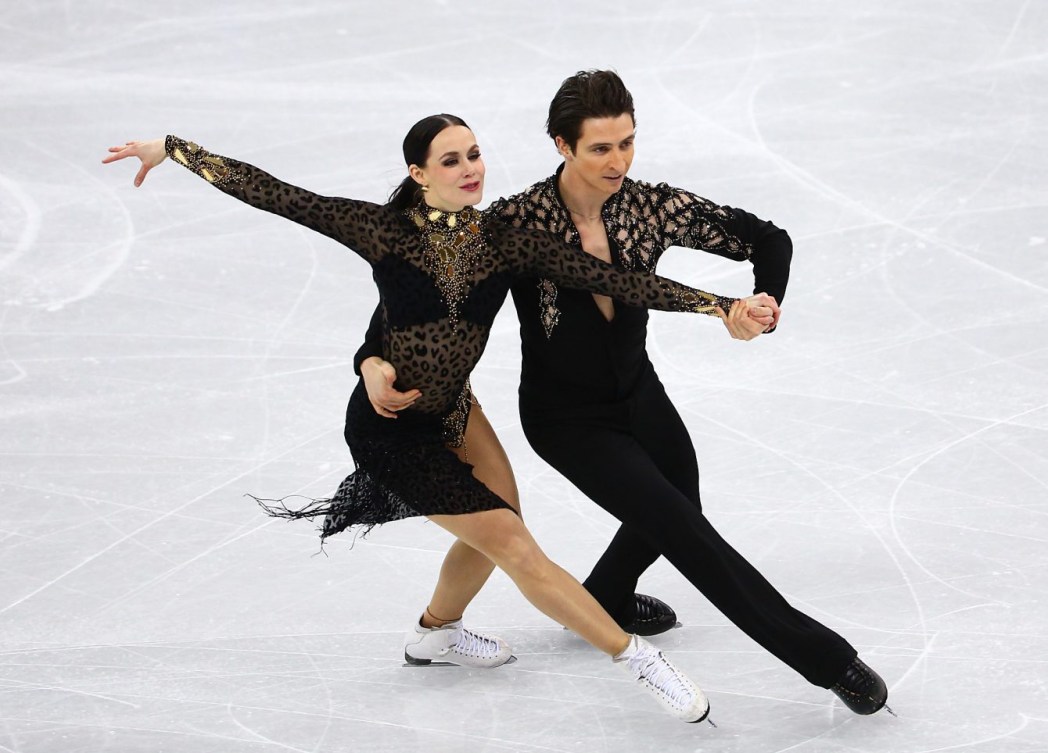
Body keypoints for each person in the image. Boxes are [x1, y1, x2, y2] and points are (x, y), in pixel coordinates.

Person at [101, 115, 778, 723]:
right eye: (451, 160)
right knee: (514, 545)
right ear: (419, 173)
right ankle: (639, 661)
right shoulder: (382, 230)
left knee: (498, 525)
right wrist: (175, 149)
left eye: (474, 154)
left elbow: (617, 280)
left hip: (456, 412)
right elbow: (277, 194)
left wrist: (719, 306)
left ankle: (435, 633)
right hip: (389, 429)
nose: (470, 168)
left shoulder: (503, 242)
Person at [355, 72, 890, 716]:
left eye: (627, 143)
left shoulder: (649, 208)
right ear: (563, 145)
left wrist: (765, 303)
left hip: (639, 395)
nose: (619, 162)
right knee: (687, 534)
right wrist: (371, 358)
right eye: (601, 148)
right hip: (566, 420)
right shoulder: (514, 224)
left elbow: (768, 238)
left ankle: (607, 592)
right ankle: (827, 660)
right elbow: (420, 299)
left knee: (679, 500)